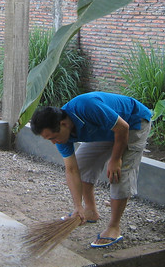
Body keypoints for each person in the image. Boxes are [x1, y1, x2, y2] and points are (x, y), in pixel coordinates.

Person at [30, 91, 152, 248]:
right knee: (81, 165)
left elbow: (122, 128)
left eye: (53, 137)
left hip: (133, 123)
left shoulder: (87, 107)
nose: (54, 143)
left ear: (64, 124)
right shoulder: (60, 135)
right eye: (49, 139)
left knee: (119, 174)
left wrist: (116, 159)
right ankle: (89, 211)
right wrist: (77, 207)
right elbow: (72, 169)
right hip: (107, 130)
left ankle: (114, 227)